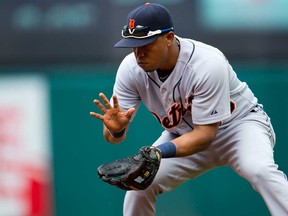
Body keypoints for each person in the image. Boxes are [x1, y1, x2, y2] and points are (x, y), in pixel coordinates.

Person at [90, 2, 288, 216]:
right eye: (134, 45)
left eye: (146, 44)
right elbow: (113, 138)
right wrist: (116, 130)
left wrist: (158, 152)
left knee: (259, 170)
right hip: (183, 136)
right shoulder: (131, 69)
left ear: (168, 38)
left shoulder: (206, 63)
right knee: (139, 188)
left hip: (238, 127)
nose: (139, 54)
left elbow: (205, 135)